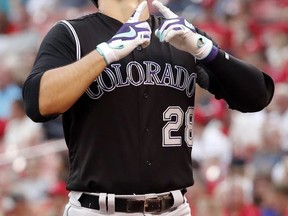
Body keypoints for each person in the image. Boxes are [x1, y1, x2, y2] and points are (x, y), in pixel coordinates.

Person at [22, 0, 274, 215]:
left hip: (173, 207)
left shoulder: (177, 33)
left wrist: (206, 51)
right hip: (98, 208)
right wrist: (105, 53)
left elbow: (257, 96)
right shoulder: (71, 34)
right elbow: (38, 104)